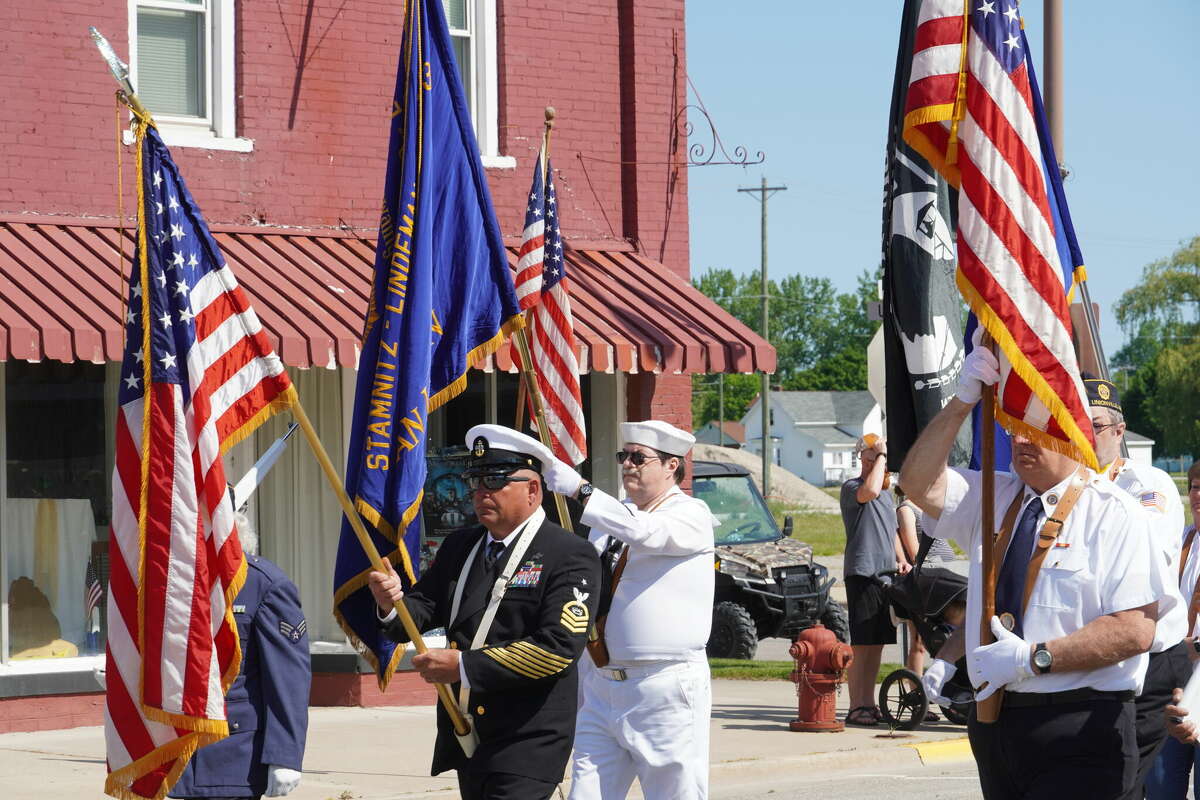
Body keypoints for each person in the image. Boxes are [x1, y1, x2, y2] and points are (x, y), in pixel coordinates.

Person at [899, 337, 1161, 799]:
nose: (1019, 439)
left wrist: (1033, 658)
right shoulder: (994, 498)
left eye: (1034, 427)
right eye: (1012, 426)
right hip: (997, 722)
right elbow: (915, 482)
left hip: (1080, 726)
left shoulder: (1115, 513)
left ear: (1071, 429)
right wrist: (961, 401)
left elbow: (1133, 630)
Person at [368, 425, 600, 800]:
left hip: (528, 735)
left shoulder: (568, 553)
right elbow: (422, 610)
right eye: (475, 481)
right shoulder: (462, 544)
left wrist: (463, 667)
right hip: (467, 727)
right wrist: (390, 603)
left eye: (495, 481)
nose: (481, 494)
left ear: (533, 489)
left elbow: (558, 648)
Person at [541, 420, 716, 800]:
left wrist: (580, 489)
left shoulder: (691, 514)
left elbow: (646, 532)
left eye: (640, 457)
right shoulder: (612, 518)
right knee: (585, 793)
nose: (628, 465)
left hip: (664, 686)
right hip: (603, 682)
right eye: (625, 456)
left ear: (672, 466)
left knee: (675, 794)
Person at [1084, 375, 1190, 799]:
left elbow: (1138, 557)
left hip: (1152, 661)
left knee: (1134, 783)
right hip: (1094, 657)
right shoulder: (1060, 489)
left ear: (1119, 432)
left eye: (1094, 426)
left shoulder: (1148, 484)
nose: (1083, 435)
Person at [170, 514, 310, 800]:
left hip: (234, 754)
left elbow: (287, 680)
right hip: (176, 749)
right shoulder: (177, 581)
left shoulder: (264, 585)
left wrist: (285, 755)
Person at [839, 434, 908, 727]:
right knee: (862, 644)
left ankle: (869, 701)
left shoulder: (886, 494)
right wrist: (881, 456)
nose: (878, 465)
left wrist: (901, 559)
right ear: (862, 460)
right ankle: (857, 705)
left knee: (877, 644)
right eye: (870, 459)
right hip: (862, 573)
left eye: (879, 459)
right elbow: (869, 490)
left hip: (885, 576)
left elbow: (892, 530)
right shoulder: (853, 487)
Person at [1148, 461, 1200, 799]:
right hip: (1171, 687)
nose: (1198, 495)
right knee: (1160, 789)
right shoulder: (1182, 541)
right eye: (1195, 486)